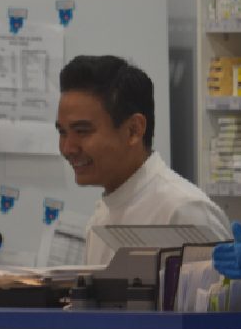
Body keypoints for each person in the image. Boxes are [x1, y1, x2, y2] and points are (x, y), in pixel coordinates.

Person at [55, 54, 230, 265]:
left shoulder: (184, 212)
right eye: (62, 132)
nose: (68, 148)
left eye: (82, 131)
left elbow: (226, 287)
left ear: (134, 130)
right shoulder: (101, 218)